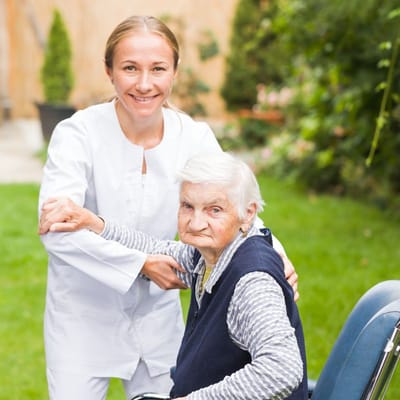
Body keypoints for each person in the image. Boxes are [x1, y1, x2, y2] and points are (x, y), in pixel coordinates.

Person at [38, 15, 298, 400]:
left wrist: (276, 253)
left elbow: (235, 206)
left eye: (158, 69)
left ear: (174, 72)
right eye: (130, 68)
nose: (144, 84)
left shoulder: (193, 136)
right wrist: (140, 265)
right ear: (109, 71)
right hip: (82, 319)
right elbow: (57, 231)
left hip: (160, 321)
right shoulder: (77, 134)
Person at [39, 152, 308, 400]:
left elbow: (282, 369)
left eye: (215, 210)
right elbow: (159, 249)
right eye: (188, 206)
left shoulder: (251, 282)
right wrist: (93, 223)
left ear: (247, 213)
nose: (196, 223)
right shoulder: (210, 256)